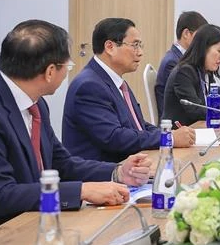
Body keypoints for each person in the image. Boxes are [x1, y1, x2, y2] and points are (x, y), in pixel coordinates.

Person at [0, 20, 152, 229]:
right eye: (67, 66)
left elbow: (62, 164)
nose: (68, 72)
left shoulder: (36, 104)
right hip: (5, 233)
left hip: (37, 221)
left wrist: (118, 172)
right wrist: (81, 191)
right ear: (49, 72)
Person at [63, 18, 196, 163]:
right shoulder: (88, 86)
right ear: (110, 47)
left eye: (140, 46)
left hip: (130, 166)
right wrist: (168, 138)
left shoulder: (115, 81)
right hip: (105, 175)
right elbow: (114, 137)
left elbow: (139, 125)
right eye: (135, 45)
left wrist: (168, 133)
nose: (140, 53)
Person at [155, 11, 208, 119]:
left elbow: (205, 89)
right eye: (200, 37)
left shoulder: (185, 60)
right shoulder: (173, 63)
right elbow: (193, 105)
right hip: (176, 125)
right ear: (186, 33)